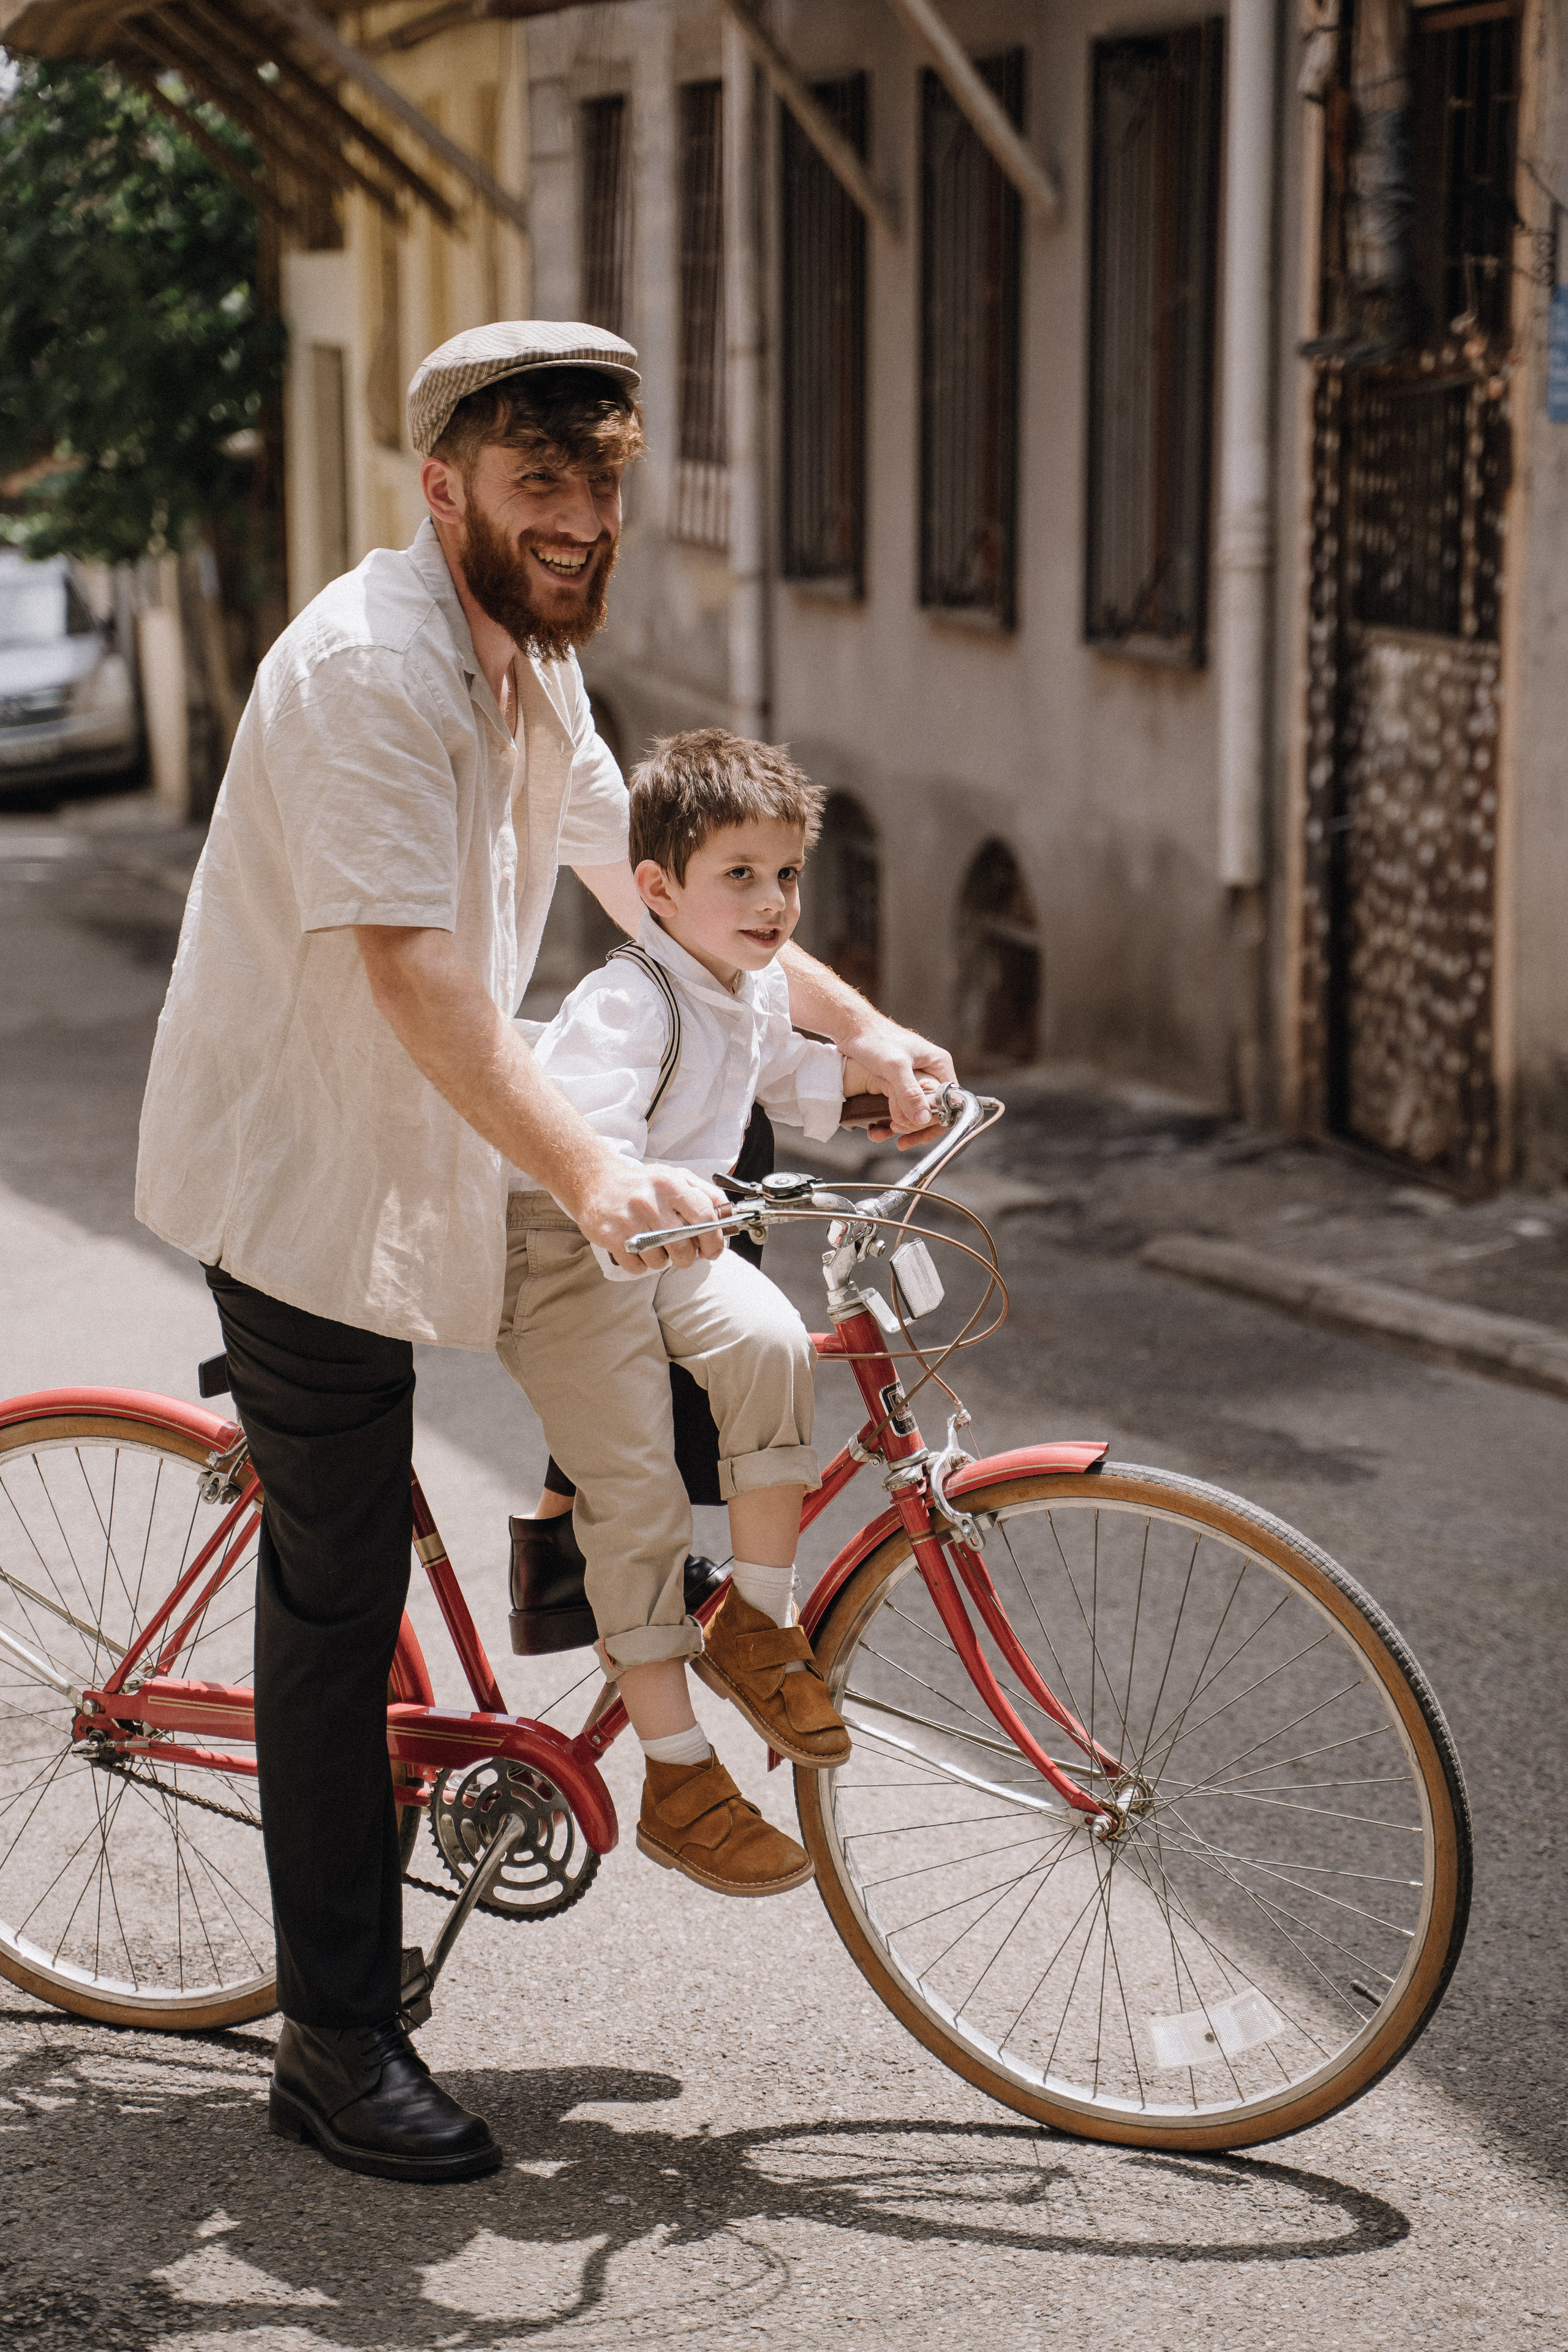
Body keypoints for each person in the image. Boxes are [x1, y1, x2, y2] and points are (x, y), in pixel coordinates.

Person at [134, 320, 956, 2183]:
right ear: (446, 492)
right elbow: (417, 975)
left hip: (456, 1150)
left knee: (672, 1357)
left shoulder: (534, 673)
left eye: (601, 482)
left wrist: (870, 1029)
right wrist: (593, 1163)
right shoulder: (373, 673)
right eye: (538, 485)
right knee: (339, 1601)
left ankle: (666, 1680)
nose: (580, 518)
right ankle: (335, 2042)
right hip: (308, 1174)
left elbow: (659, 905)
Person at [498, 731, 894, 1896]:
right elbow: (568, 1138)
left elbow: (792, 1076)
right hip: (568, 1251)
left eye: (786, 876)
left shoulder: (749, 987)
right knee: (638, 1498)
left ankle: (754, 1625)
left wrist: (890, 1083)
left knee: (774, 1340)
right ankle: (677, 1773)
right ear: (659, 892)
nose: (773, 903)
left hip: (675, 1246)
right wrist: (641, 1184)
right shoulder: (629, 1003)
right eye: (742, 876)